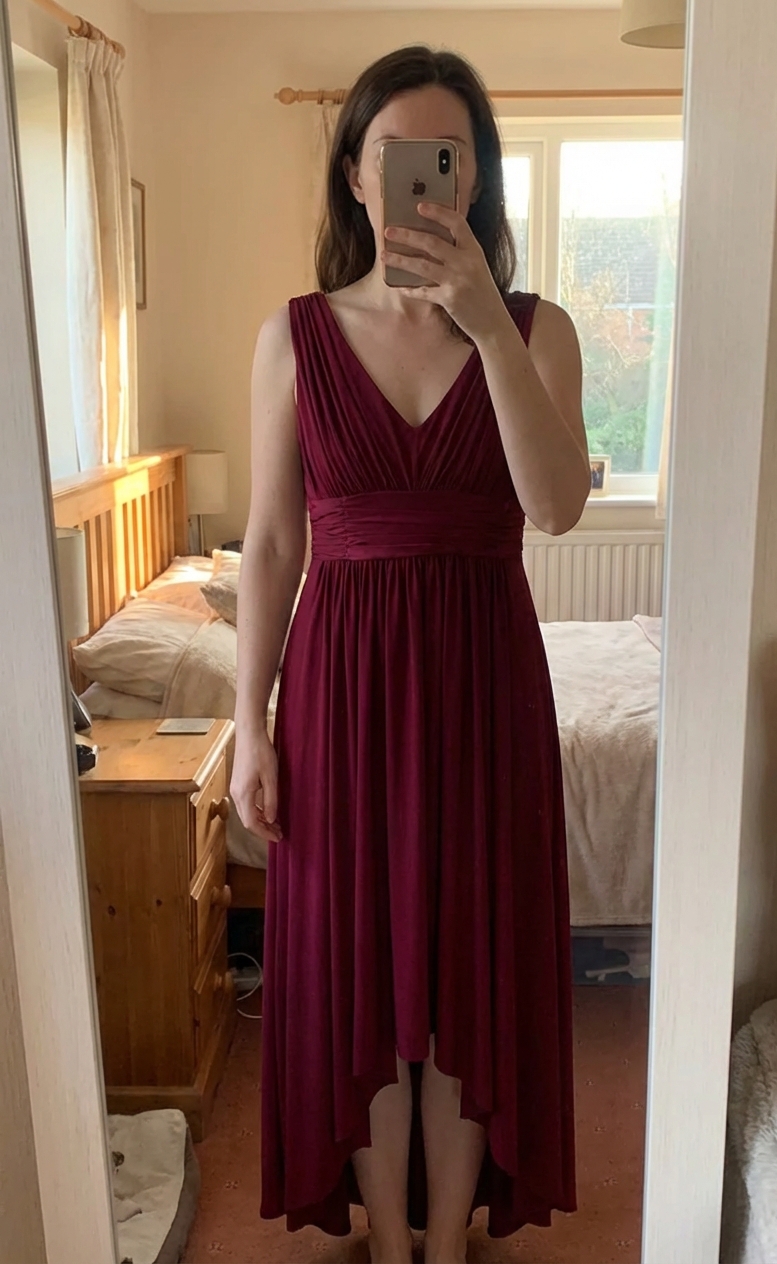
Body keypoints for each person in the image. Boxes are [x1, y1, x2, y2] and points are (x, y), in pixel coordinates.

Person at [231, 44, 590, 1264]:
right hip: (340, 691)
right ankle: (390, 1243)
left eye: (450, 158)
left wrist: (486, 328)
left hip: (485, 689)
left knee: (465, 977)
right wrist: (248, 724)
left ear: (475, 178)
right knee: (362, 985)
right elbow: (271, 543)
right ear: (354, 175)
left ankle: (443, 1245)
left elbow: (553, 507)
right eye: (398, 156)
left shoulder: (536, 331)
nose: (426, 182)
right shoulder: (293, 336)